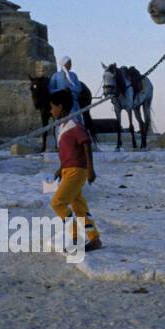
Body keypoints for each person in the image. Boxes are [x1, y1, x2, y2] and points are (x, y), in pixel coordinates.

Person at [49, 89, 101, 252]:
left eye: (52, 107)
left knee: (58, 203)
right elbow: (69, 153)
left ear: (61, 107)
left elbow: (86, 144)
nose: (51, 111)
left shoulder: (74, 125)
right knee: (78, 207)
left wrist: (91, 169)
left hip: (76, 171)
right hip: (68, 170)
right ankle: (94, 238)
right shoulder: (63, 127)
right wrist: (60, 168)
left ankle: (75, 237)